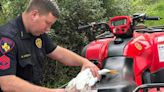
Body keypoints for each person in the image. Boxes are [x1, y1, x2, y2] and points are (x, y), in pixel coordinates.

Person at [0, 0, 100, 92]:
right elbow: (6, 83)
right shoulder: (7, 38)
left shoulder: (38, 33)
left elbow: (58, 53)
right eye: (47, 23)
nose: (48, 29)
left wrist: (84, 62)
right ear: (34, 14)